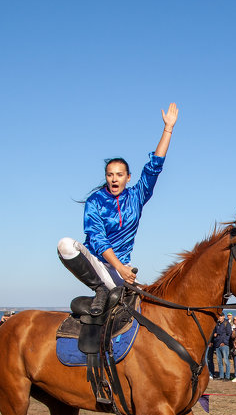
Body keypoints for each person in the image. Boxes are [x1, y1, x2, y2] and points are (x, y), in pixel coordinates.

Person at [57, 103, 178, 315]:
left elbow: (154, 167)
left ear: (127, 177)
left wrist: (168, 129)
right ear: (106, 177)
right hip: (96, 263)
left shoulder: (136, 196)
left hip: (120, 269)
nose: (114, 179)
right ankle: (99, 291)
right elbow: (97, 237)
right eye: (110, 174)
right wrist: (119, 267)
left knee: (153, 306)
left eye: (119, 174)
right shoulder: (95, 200)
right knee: (65, 245)